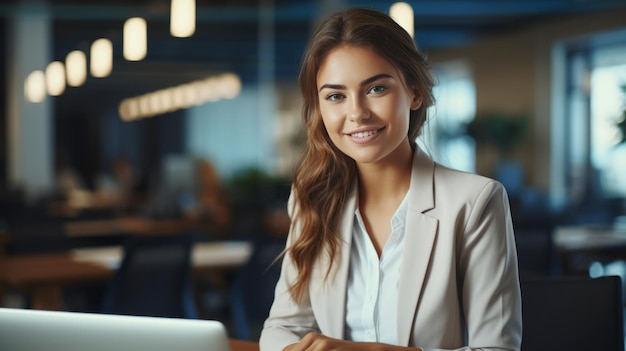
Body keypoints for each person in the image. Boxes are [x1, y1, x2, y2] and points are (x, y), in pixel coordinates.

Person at [259, 7, 522, 351]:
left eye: (376, 89)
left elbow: (497, 349)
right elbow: (282, 327)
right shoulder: (313, 198)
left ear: (414, 93)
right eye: (336, 96)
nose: (356, 113)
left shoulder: (475, 202)